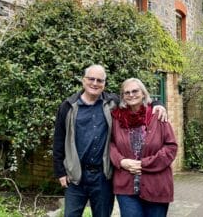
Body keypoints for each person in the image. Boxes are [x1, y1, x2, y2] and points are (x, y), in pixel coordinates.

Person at [53, 65, 167, 217]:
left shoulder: (112, 103)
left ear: (104, 84)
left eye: (99, 80)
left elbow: (135, 99)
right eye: (91, 79)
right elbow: (59, 140)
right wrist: (60, 172)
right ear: (83, 81)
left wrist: (158, 105)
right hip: (76, 176)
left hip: (103, 177)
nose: (95, 83)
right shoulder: (68, 106)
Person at [109, 78, 177, 217]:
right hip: (126, 187)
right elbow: (109, 144)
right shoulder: (116, 118)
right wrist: (121, 161)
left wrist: (144, 164)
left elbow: (171, 147)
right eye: (126, 92)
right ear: (122, 97)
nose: (131, 95)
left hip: (156, 185)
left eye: (135, 91)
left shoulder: (157, 115)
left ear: (143, 93)